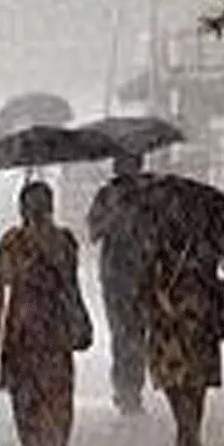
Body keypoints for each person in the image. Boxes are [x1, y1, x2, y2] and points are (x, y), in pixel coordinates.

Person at [0, 182, 91, 446]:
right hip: (50, 328)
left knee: (29, 396)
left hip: (26, 329)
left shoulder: (15, 242)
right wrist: (80, 317)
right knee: (52, 395)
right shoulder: (62, 241)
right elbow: (72, 287)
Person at [141, 236, 224, 446]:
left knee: (178, 391)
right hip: (199, 327)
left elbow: (144, 288)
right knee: (195, 393)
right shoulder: (207, 245)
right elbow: (212, 286)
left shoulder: (155, 244)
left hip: (169, 329)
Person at [89, 153, 149, 418]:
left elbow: (156, 231)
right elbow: (93, 232)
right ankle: (125, 390)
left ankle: (133, 388)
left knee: (137, 335)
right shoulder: (106, 196)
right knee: (123, 335)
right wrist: (111, 220)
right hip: (116, 276)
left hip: (142, 275)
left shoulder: (148, 197)